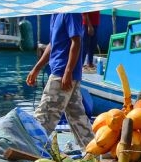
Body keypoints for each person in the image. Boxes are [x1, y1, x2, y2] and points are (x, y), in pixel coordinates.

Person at [26, 13, 95, 150]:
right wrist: (36, 69)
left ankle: (31, 151)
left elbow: (76, 41)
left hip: (62, 75)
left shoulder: (70, 12)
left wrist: (68, 72)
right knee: (78, 118)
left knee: (44, 117)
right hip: (61, 72)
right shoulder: (55, 14)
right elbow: (52, 44)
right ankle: (94, 152)